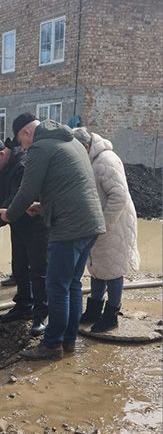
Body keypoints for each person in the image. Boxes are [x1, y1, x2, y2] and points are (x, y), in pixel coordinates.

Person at [0, 113, 105, 360]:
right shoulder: (72, 143)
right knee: (73, 284)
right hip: (91, 224)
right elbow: (69, 187)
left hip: (69, 228)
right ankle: (68, 341)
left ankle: (52, 344)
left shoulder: (41, 147)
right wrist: (42, 207)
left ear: (25, 133)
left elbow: (25, 191)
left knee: (56, 287)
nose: (23, 149)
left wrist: (8, 215)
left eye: (21, 144)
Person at [0, 137, 48, 336]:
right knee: (19, 267)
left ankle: (41, 314)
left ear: (2, 154)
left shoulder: (22, 166)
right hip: (18, 225)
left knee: (39, 270)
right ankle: (23, 306)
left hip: (36, 224)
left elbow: (14, 199)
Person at [73, 127, 140, 331]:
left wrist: (103, 224)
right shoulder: (91, 160)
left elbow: (119, 196)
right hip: (98, 223)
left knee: (112, 269)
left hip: (114, 223)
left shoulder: (106, 160)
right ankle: (94, 310)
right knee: (97, 267)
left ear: (85, 146)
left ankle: (111, 315)